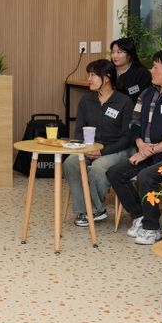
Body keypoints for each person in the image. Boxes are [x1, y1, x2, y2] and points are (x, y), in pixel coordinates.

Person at [106, 49, 162, 245]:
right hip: (148, 153)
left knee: (146, 176)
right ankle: (139, 216)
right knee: (115, 172)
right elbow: (135, 124)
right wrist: (141, 145)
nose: (151, 71)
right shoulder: (146, 94)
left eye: (156, 67)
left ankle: (152, 228)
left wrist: (150, 150)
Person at [63, 59, 133, 227]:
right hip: (90, 148)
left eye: (93, 75)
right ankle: (83, 210)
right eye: (89, 75)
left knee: (98, 167)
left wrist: (102, 152)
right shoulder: (86, 101)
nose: (89, 79)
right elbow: (79, 130)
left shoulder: (124, 102)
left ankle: (96, 209)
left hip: (117, 149)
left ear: (107, 78)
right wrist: (82, 149)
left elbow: (127, 138)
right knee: (70, 163)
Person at [109, 38, 151, 103]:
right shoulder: (108, 70)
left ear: (129, 54)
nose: (115, 56)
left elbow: (145, 96)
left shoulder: (142, 73)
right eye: (113, 52)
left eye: (119, 52)